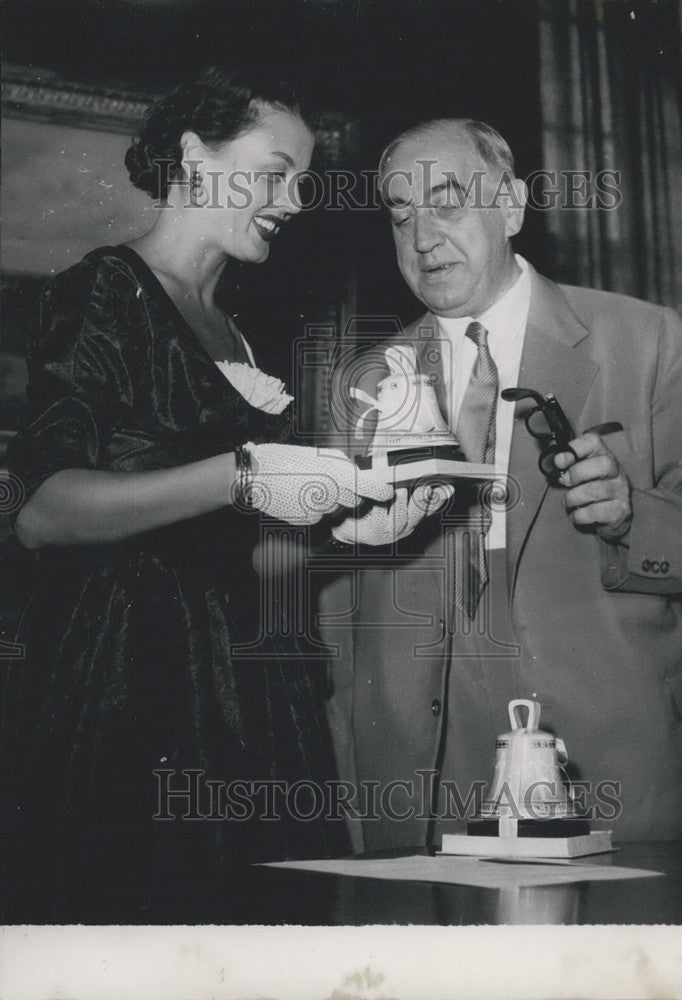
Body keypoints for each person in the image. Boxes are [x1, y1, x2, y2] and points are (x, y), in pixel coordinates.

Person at [0, 66, 395, 922]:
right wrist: (241, 475)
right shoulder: (106, 292)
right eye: (273, 172)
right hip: (130, 682)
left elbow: (254, 549)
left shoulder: (241, 327)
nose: (292, 200)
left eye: (300, 179)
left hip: (251, 684)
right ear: (192, 157)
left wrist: (351, 522)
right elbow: (39, 512)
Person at [322, 117, 682, 850]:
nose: (421, 236)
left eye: (447, 200)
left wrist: (630, 514)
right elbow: (340, 609)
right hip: (420, 771)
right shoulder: (361, 381)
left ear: (512, 207)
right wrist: (360, 784)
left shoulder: (642, 339)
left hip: (609, 755)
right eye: (400, 213)